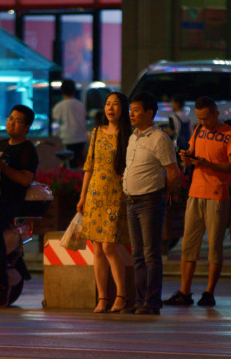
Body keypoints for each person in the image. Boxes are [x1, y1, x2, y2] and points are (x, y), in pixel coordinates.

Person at [163, 97, 231, 308]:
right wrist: (187, 157)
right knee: (189, 245)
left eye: (206, 118)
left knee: (215, 246)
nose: (203, 122)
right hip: (195, 192)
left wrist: (209, 164)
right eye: (199, 118)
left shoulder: (230, 135)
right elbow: (192, 154)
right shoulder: (198, 131)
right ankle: (184, 291)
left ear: (216, 113)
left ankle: (209, 292)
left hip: (216, 194)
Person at [120, 92, 180, 315]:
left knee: (150, 254)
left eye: (136, 110)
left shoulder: (159, 138)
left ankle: (152, 302)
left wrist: (163, 193)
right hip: (131, 200)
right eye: (130, 110)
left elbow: (173, 172)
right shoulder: (133, 137)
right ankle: (139, 300)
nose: (131, 114)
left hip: (150, 201)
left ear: (149, 113)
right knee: (137, 254)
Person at [76, 92, 132, 313]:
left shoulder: (129, 136)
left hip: (116, 193)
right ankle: (102, 297)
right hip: (95, 194)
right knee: (97, 248)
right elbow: (89, 166)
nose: (110, 108)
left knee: (109, 246)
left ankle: (121, 295)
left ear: (124, 109)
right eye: (108, 104)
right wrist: (82, 197)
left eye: (116, 104)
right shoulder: (97, 133)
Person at [0, 105, 39, 307]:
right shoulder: (0, 144)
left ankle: (2, 282)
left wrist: (2, 167)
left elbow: (25, 180)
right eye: (10, 118)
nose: (11, 122)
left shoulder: (27, 150)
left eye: (18, 120)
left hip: (9, 202)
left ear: (27, 126)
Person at [52, 79, 87, 168]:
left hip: (67, 139)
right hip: (81, 139)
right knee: (78, 165)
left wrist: (55, 134)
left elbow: (54, 123)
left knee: (68, 166)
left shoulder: (59, 106)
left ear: (61, 91)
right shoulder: (81, 105)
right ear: (74, 90)